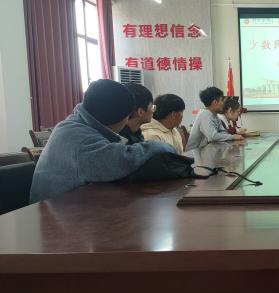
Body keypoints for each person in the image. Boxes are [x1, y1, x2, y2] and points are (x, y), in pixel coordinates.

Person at [30, 79, 174, 202]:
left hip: (69, 205)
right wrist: (162, 146)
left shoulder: (73, 124)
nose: (127, 121)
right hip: (54, 216)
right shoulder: (81, 140)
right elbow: (122, 161)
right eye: (127, 116)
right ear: (120, 118)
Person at [185, 86, 243, 151]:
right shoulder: (205, 114)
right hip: (194, 153)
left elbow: (223, 132)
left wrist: (230, 136)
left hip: (206, 151)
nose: (223, 103)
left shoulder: (215, 115)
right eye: (222, 100)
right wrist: (232, 137)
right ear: (215, 102)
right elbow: (213, 136)